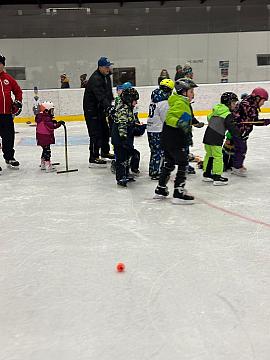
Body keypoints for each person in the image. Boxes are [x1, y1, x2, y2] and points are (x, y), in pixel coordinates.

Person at [153, 78, 198, 205]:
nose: (193, 93)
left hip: (168, 138)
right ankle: (179, 193)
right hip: (175, 139)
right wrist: (179, 123)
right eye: (191, 91)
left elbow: (184, 116)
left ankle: (160, 189)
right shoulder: (181, 102)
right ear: (183, 92)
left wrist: (193, 122)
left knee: (169, 163)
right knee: (183, 163)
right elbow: (170, 117)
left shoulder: (181, 102)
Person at [202, 92, 241, 185]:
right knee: (218, 156)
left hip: (207, 136)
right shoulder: (227, 114)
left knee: (209, 155)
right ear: (228, 103)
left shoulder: (216, 110)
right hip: (216, 137)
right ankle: (217, 177)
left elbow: (208, 117)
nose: (235, 105)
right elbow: (231, 127)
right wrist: (238, 134)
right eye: (233, 103)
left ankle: (207, 174)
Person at [83, 57, 114, 167]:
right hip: (92, 110)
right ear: (100, 67)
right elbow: (100, 96)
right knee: (95, 133)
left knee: (105, 131)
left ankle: (105, 151)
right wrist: (109, 107)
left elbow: (108, 93)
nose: (108, 68)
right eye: (106, 67)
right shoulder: (96, 78)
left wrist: (111, 104)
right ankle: (94, 156)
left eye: (109, 66)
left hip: (100, 109)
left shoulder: (106, 76)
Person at [232, 87, 270, 176]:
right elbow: (255, 121)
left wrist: (265, 121)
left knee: (240, 148)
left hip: (242, 131)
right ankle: (236, 167)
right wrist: (266, 121)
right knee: (241, 149)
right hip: (239, 131)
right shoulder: (248, 106)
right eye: (263, 101)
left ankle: (236, 165)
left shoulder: (251, 105)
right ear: (257, 98)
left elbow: (253, 121)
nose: (263, 104)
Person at [147, 78, 174, 180]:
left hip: (151, 128)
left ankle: (153, 169)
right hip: (158, 130)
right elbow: (165, 119)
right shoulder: (164, 102)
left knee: (154, 151)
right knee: (159, 151)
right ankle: (156, 171)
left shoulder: (155, 98)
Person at [111, 87, 139, 187]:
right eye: (135, 101)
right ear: (129, 100)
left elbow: (130, 120)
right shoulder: (123, 109)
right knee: (121, 159)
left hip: (125, 138)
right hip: (120, 139)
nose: (136, 103)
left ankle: (126, 174)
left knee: (127, 157)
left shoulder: (128, 108)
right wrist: (123, 138)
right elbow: (122, 124)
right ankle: (120, 177)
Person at [0, 53, 22, 171]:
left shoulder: (8, 78)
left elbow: (18, 91)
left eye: (0, 64)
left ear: (3, 65)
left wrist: (18, 102)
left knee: (8, 137)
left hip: (6, 114)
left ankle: (9, 157)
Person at [35, 101, 65, 172]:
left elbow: (48, 123)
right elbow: (52, 126)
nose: (52, 112)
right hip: (45, 136)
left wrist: (53, 121)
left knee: (44, 150)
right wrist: (59, 124)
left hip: (40, 136)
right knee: (47, 151)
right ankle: (48, 166)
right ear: (46, 110)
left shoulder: (42, 117)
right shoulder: (46, 118)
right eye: (51, 110)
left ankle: (43, 164)